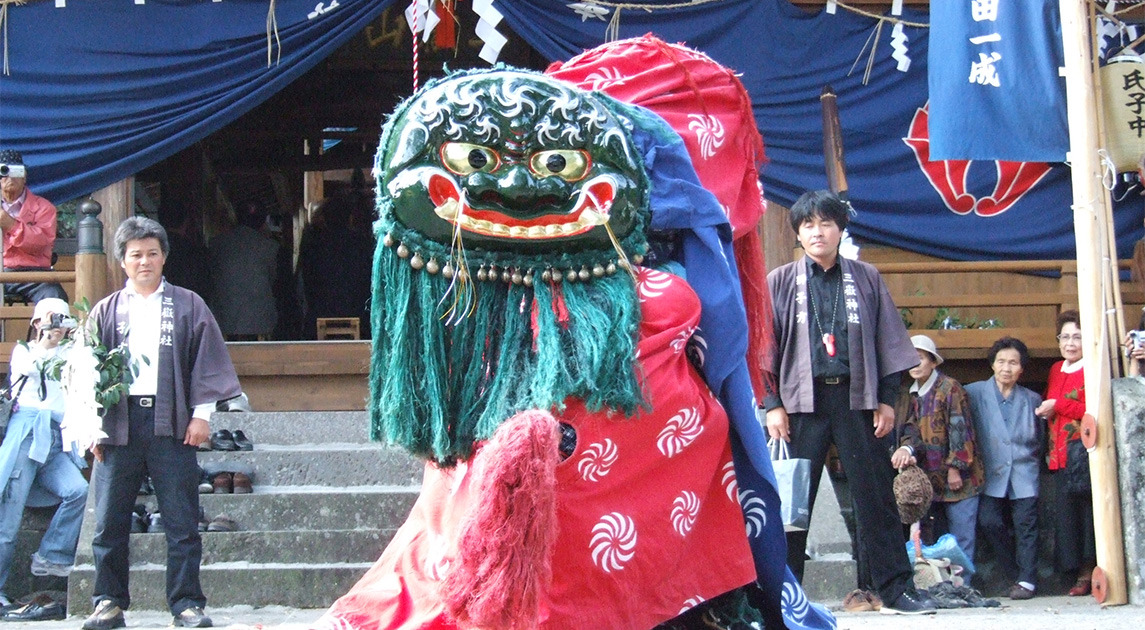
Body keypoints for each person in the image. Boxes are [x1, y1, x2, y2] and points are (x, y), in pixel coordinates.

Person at [764, 190, 933, 615]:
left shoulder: (866, 277)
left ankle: (895, 588)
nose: (817, 232)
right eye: (807, 225)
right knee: (793, 504)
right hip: (801, 402)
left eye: (825, 223)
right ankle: (783, 596)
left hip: (857, 399)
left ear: (840, 229)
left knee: (875, 496)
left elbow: (889, 342)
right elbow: (763, 347)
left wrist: (888, 400)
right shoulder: (780, 281)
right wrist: (772, 405)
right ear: (798, 234)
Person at [83, 216, 241, 630]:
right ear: (122, 261)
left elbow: (207, 362)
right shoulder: (105, 311)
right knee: (109, 521)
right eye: (136, 255)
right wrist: (90, 427)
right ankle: (107, 602)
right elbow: (84, 376)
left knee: (181, 519)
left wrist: (202, 416)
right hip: (118, 424)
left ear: (165, 257)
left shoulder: (189, 304)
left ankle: (186, 604)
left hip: (171, 420)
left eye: (153, 253)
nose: (145, 261)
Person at [0, 298, 87, 617]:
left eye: (60, 320)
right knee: (7, 521)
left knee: (77, 491)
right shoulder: (24, 350)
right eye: (50, 321)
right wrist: (47, 342)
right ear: (37, 323)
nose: (56, 328)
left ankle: (52, 554)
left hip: (56, 440)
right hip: (26, 435)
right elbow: (30, 369)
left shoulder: (73, 353)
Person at [891, 334, 984, 568]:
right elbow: (908, 430)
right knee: (928, 536)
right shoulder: (906, 393)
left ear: (932, 361)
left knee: (961, 535)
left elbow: (960, 429)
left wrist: (956, 468)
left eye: (920, 358)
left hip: (958, 478)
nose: (915, 364)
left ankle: (963, 585)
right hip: (927, 479)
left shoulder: (950, 388)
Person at [965, 336, 1043, 600]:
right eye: (1001, 361)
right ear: (992, 365)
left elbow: (1041, 437)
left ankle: (1028, 581)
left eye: (1013, 363)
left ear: (1022, 368)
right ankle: (1015, 573)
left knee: (1026, 526)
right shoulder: (974, 393)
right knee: (989, 521)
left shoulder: (1033, 399)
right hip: (990, 471)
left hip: (1024, 470)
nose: (1006, 368)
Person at [1037, 310, 1095, 596]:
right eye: (1065, 337)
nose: (1070, 343)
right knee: (1065, 517)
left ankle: (1086, 573)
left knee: (1084, 516)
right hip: (1058, 454)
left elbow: (1089, 410)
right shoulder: (1056, 369)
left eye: (1077, 337)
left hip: (1082, 453)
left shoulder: (1093, 367)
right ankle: (1071, 572)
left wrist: (1056, 405)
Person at [0, 149, 67, 304]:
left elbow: (41, 243)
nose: (10, 177)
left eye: (16, 172)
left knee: (54, 296)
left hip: (32, 274)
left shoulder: (44, 207)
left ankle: (52, 328)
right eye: (4, 171)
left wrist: (10, 224)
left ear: (24, 177)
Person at [207, 201, 280, 340]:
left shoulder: (216, 244)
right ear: (263, 220)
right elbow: (274, 279)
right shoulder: (271, 247)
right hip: (260, 320)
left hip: (223, 319)